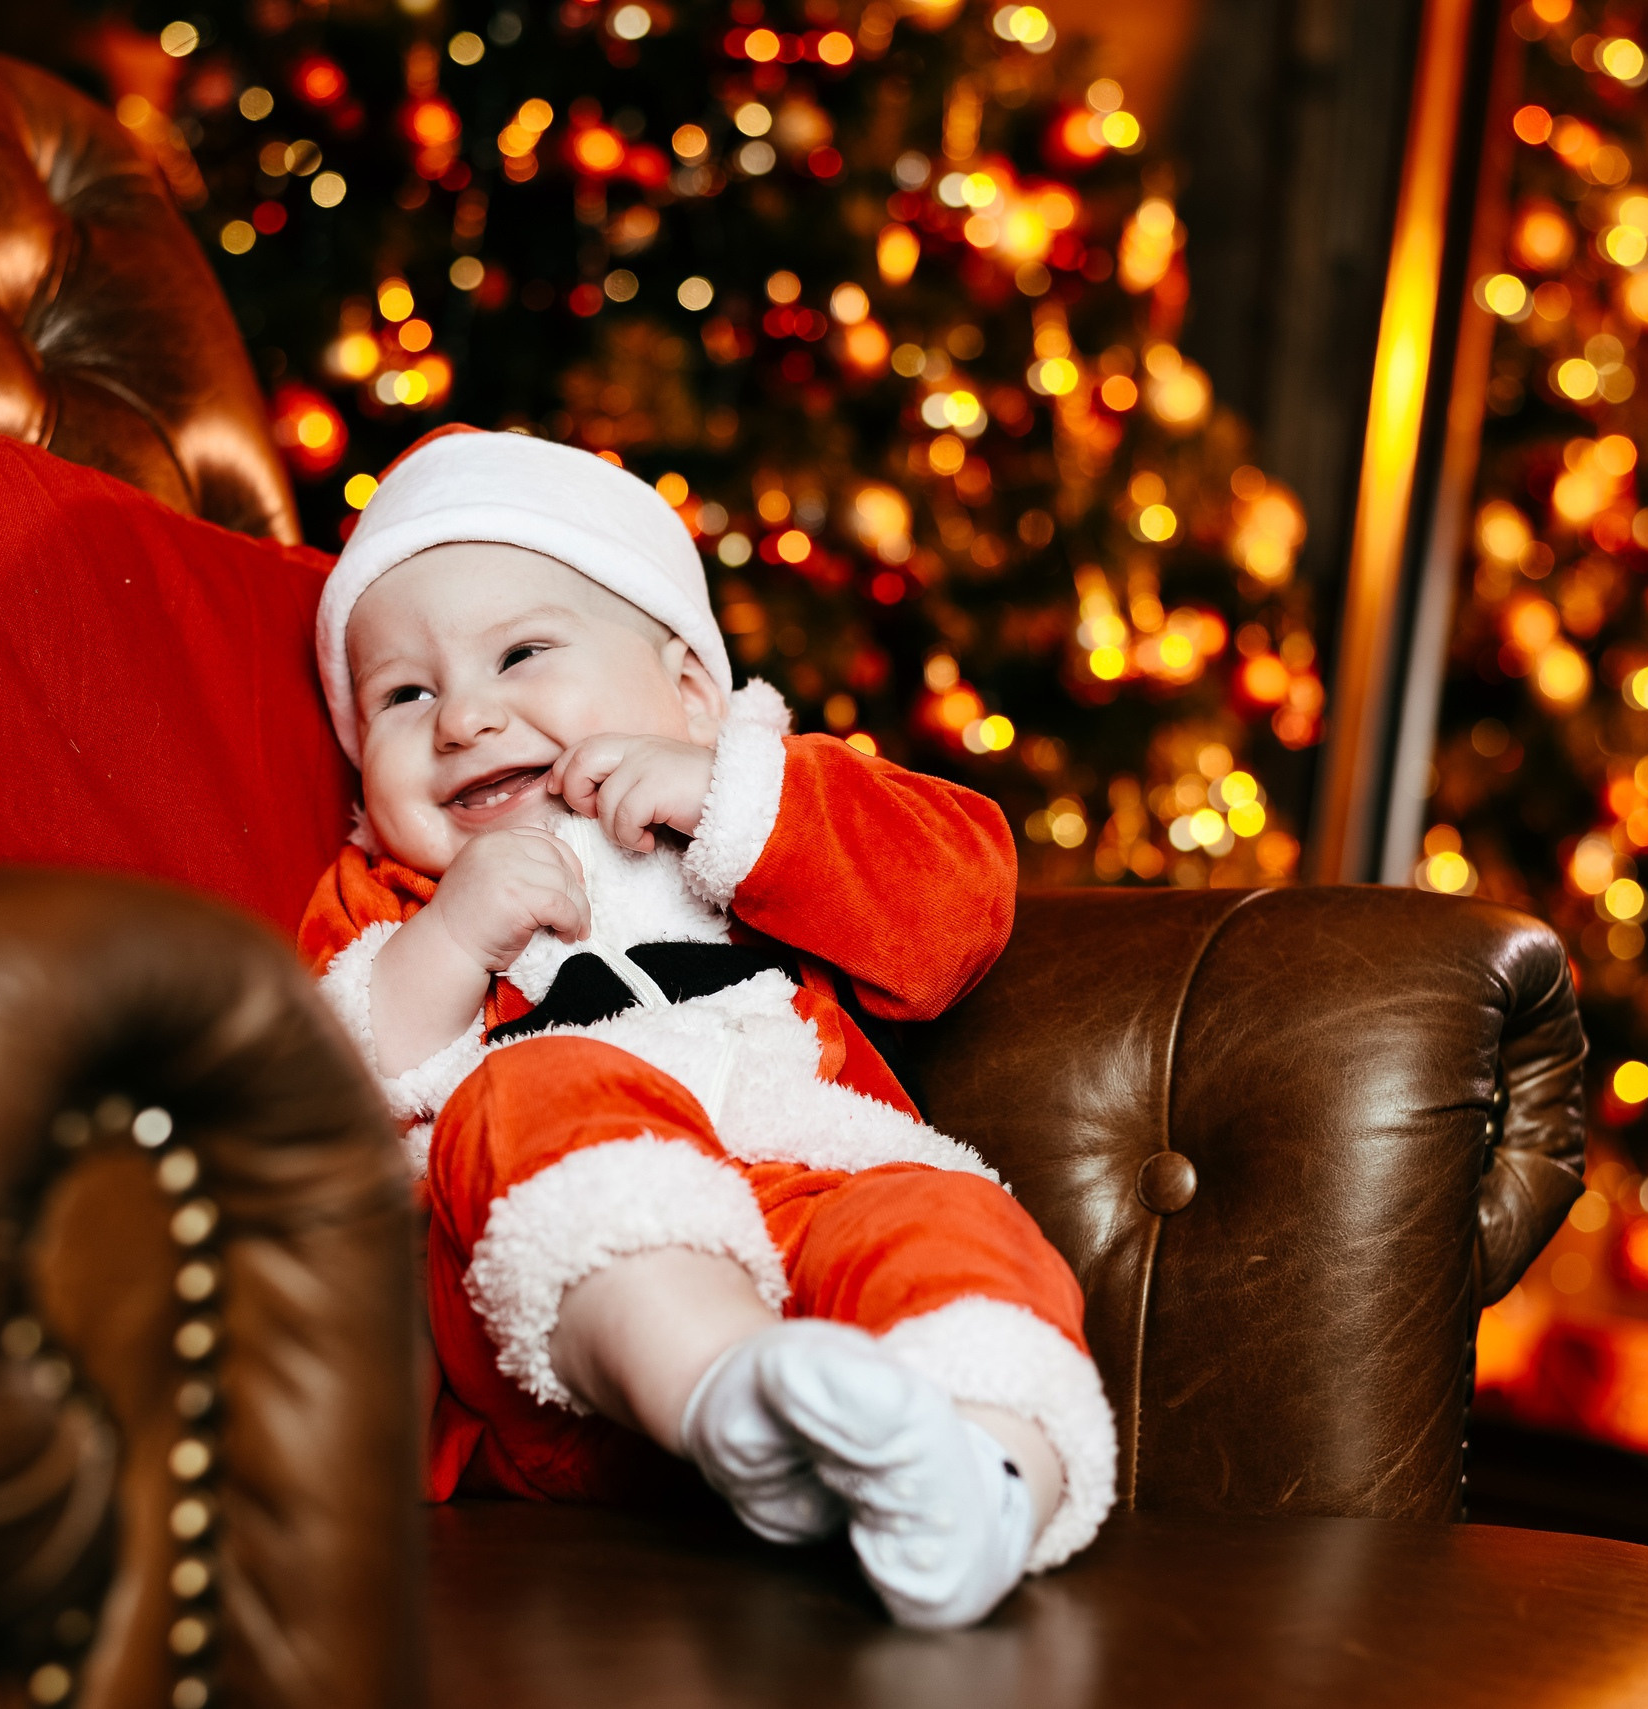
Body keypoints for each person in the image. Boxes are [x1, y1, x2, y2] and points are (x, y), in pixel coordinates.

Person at [300, 426, 1113, 1629]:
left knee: (944, 1212)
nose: (464, 717)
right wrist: (452, 941)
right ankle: (732, 1391)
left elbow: (956, 912)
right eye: (403, 695)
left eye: (521, 652)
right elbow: (323, 1085)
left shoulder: (761, 806)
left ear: (687, 687)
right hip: (556, 1341)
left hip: (811, 1221)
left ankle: (979, 1480)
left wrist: (737, 798)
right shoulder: (392, 898)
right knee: (538, 1083)